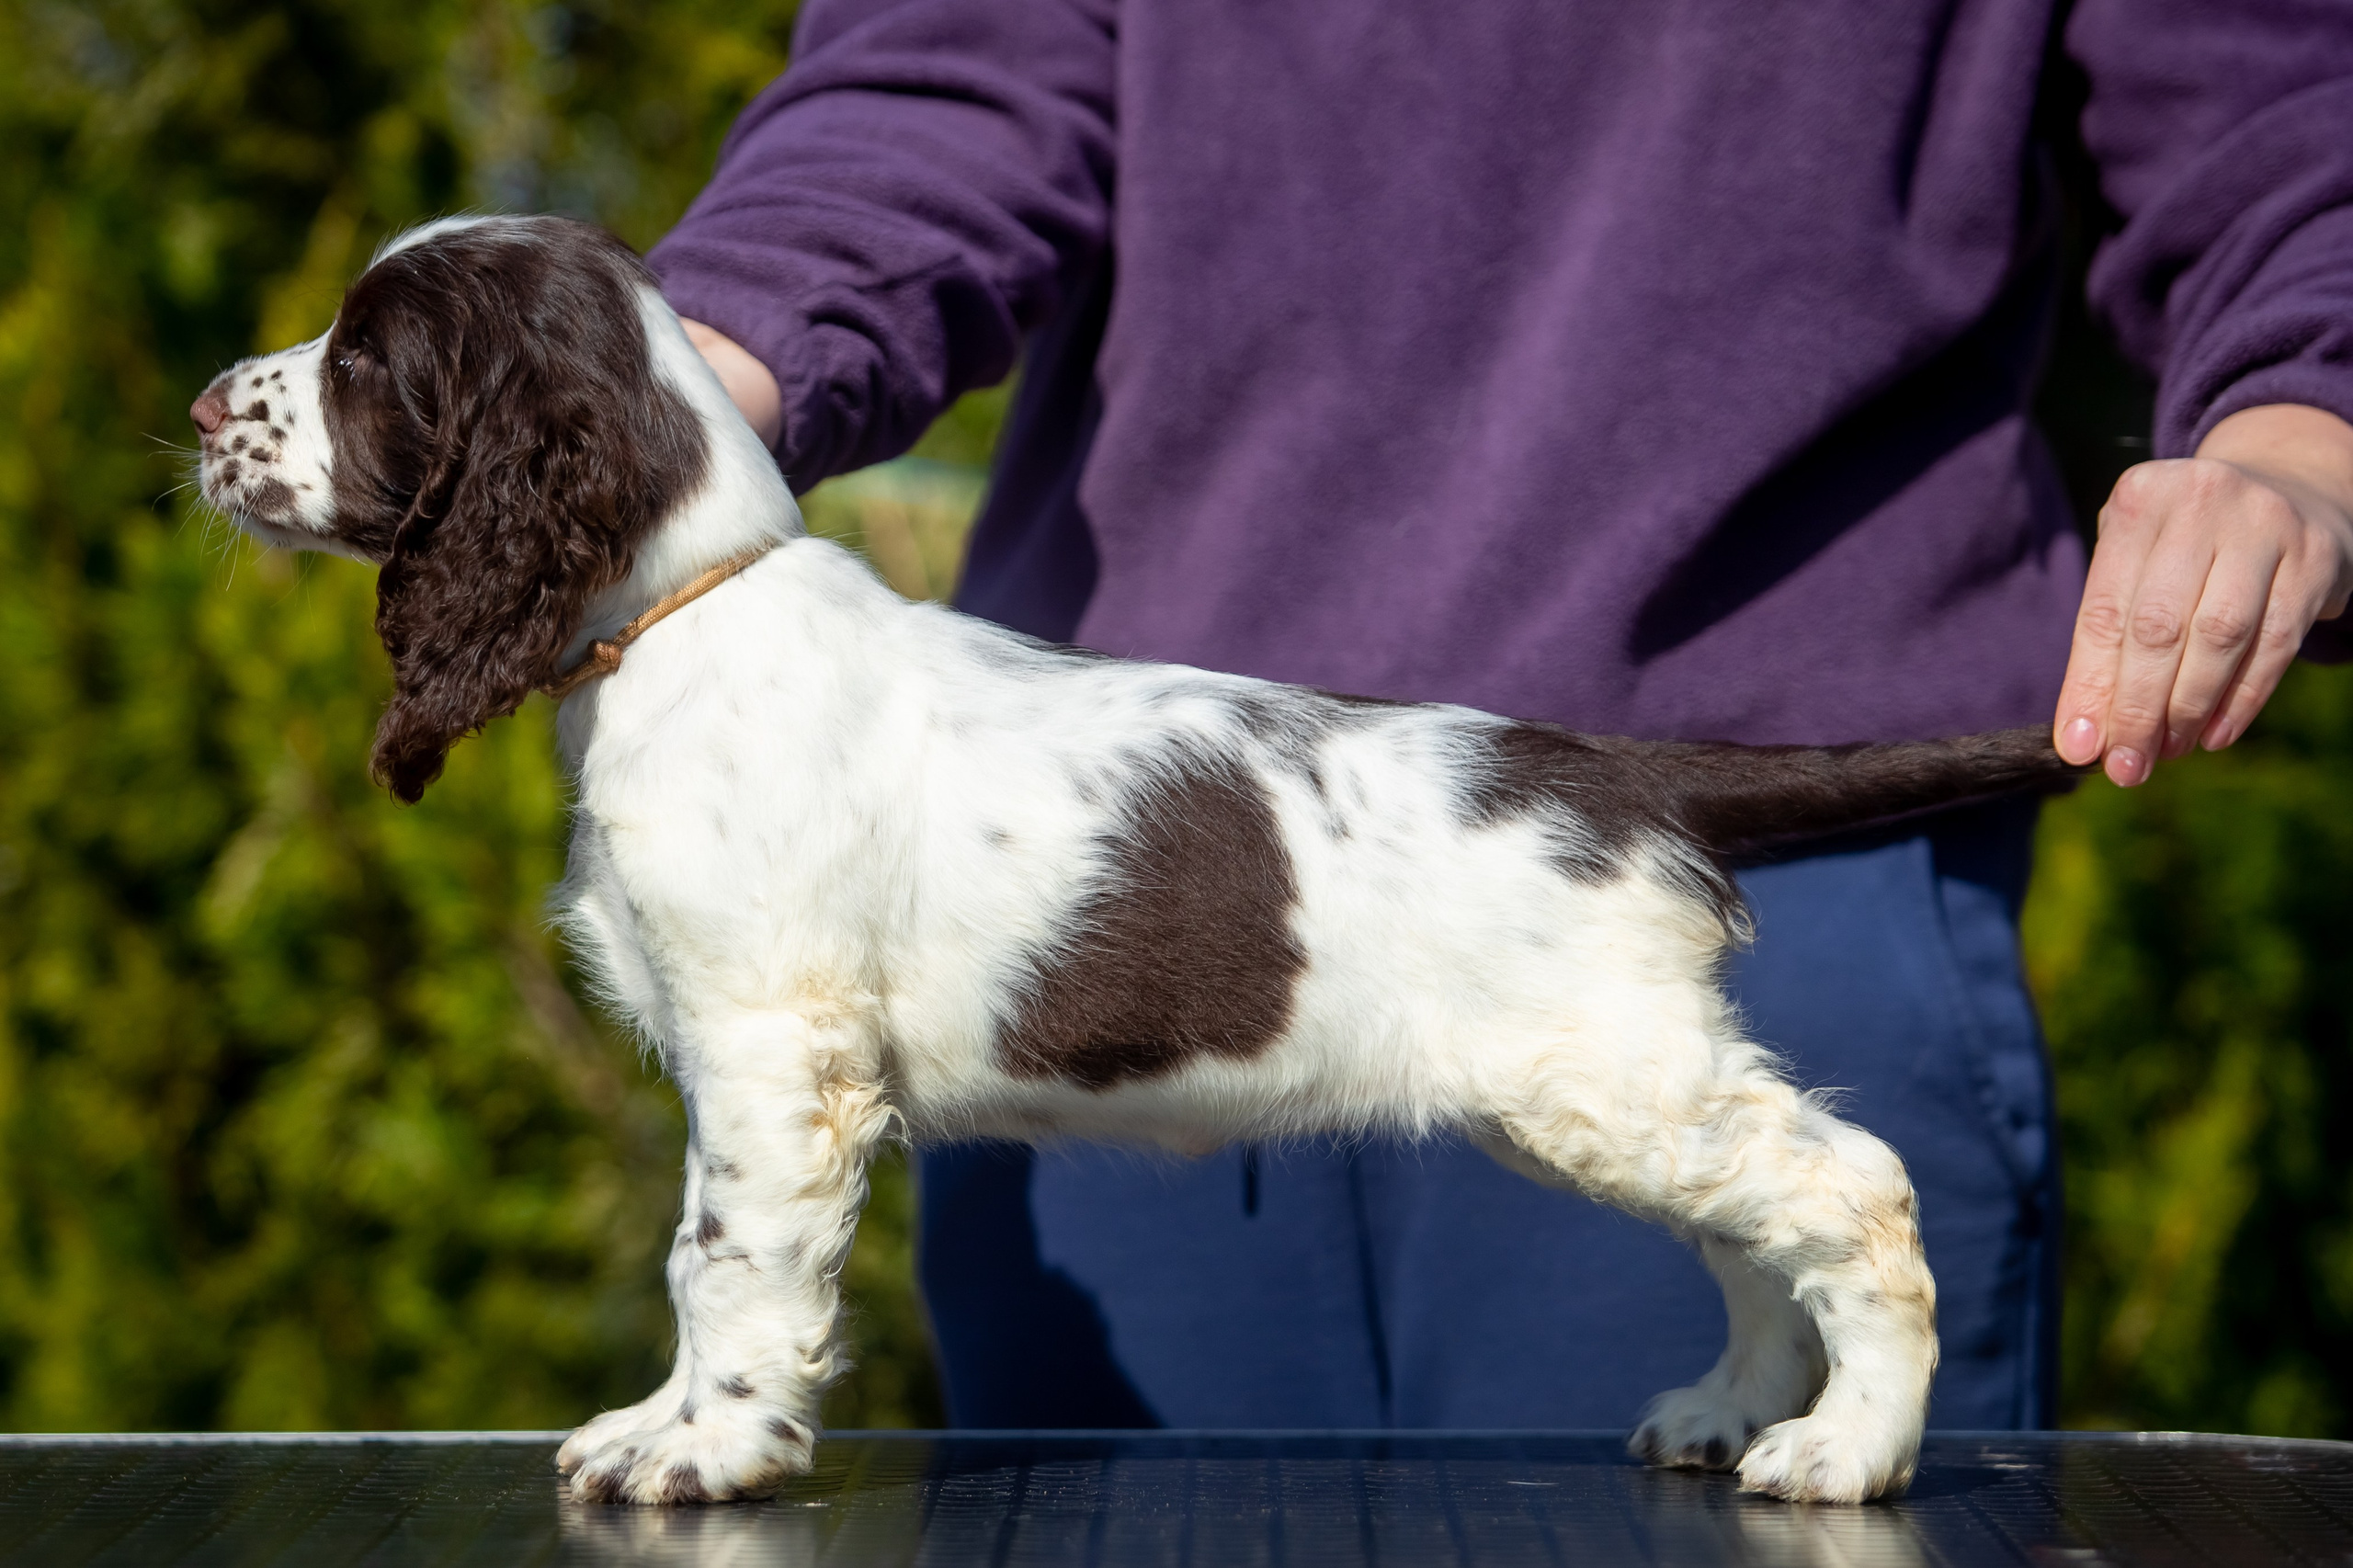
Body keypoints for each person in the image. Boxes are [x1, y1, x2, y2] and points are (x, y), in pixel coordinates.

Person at [645, 0, 2353, 1431]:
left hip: (1757, 841)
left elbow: (2278, 106)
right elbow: (946, 70)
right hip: (1101, 880)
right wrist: (664, 392)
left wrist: (2306, 423)